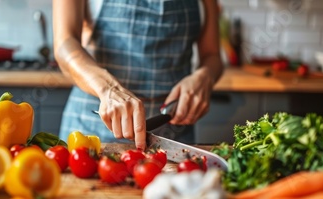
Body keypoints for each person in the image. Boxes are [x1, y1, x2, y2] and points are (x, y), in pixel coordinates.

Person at [53, 0, 224, 150]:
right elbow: (64, 45)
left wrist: (204, 77)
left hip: (173, 137)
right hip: (93, 132)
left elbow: (212, 55)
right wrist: (108, 89)